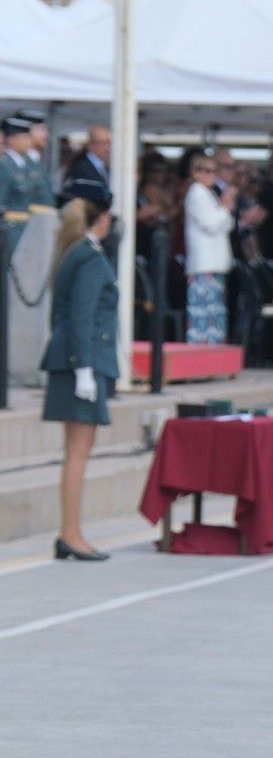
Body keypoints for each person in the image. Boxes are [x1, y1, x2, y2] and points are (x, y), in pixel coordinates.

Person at [39, 179, 119, 562]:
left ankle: (70, 532)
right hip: (81, 364)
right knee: (78, 452)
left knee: (78, 450)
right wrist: (84, 368)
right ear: (102, 217)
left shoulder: (75, 250)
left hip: (77, 362)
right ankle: (71, 533)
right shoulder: (88, 256)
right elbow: (81, 318)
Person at [183, 155, 237, 344]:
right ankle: (200, 351)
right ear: (195, 173)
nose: (212, 175)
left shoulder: (209, 193)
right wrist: (224, 208)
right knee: (203, 313)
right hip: (204, 263)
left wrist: (224, 210)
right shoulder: (196, 193)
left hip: (215, 262)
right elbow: (210, 224)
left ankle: (213, 351)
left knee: (215, 312)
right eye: (207, 171)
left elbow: (228, 224)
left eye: (215, 171)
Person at [15, 108, 54, 207]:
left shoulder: (35, 161)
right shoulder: (20, 162)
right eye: (41, 129)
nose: (46, 135)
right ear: (28, 131)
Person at [0, 116, 36, 215]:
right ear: (12, 140)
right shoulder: (4, 166)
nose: (30, 141)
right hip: (9, 227)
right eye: (25, 137)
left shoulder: (23, 164)